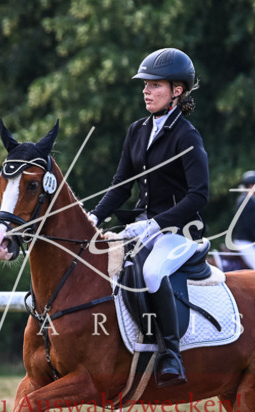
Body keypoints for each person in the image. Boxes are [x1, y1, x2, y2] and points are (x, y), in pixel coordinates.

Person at [87, 47, 210, 387]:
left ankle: (171, 354)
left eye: (155, 85)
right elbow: (121, 186)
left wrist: (156, 223)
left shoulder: (187, 135)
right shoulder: (137, 130)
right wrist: (95, 217)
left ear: (177, 91)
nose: (146, 90)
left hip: (179, 230)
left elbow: (199, 194)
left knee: (153, 272)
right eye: (145, 84)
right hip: (140, 226)